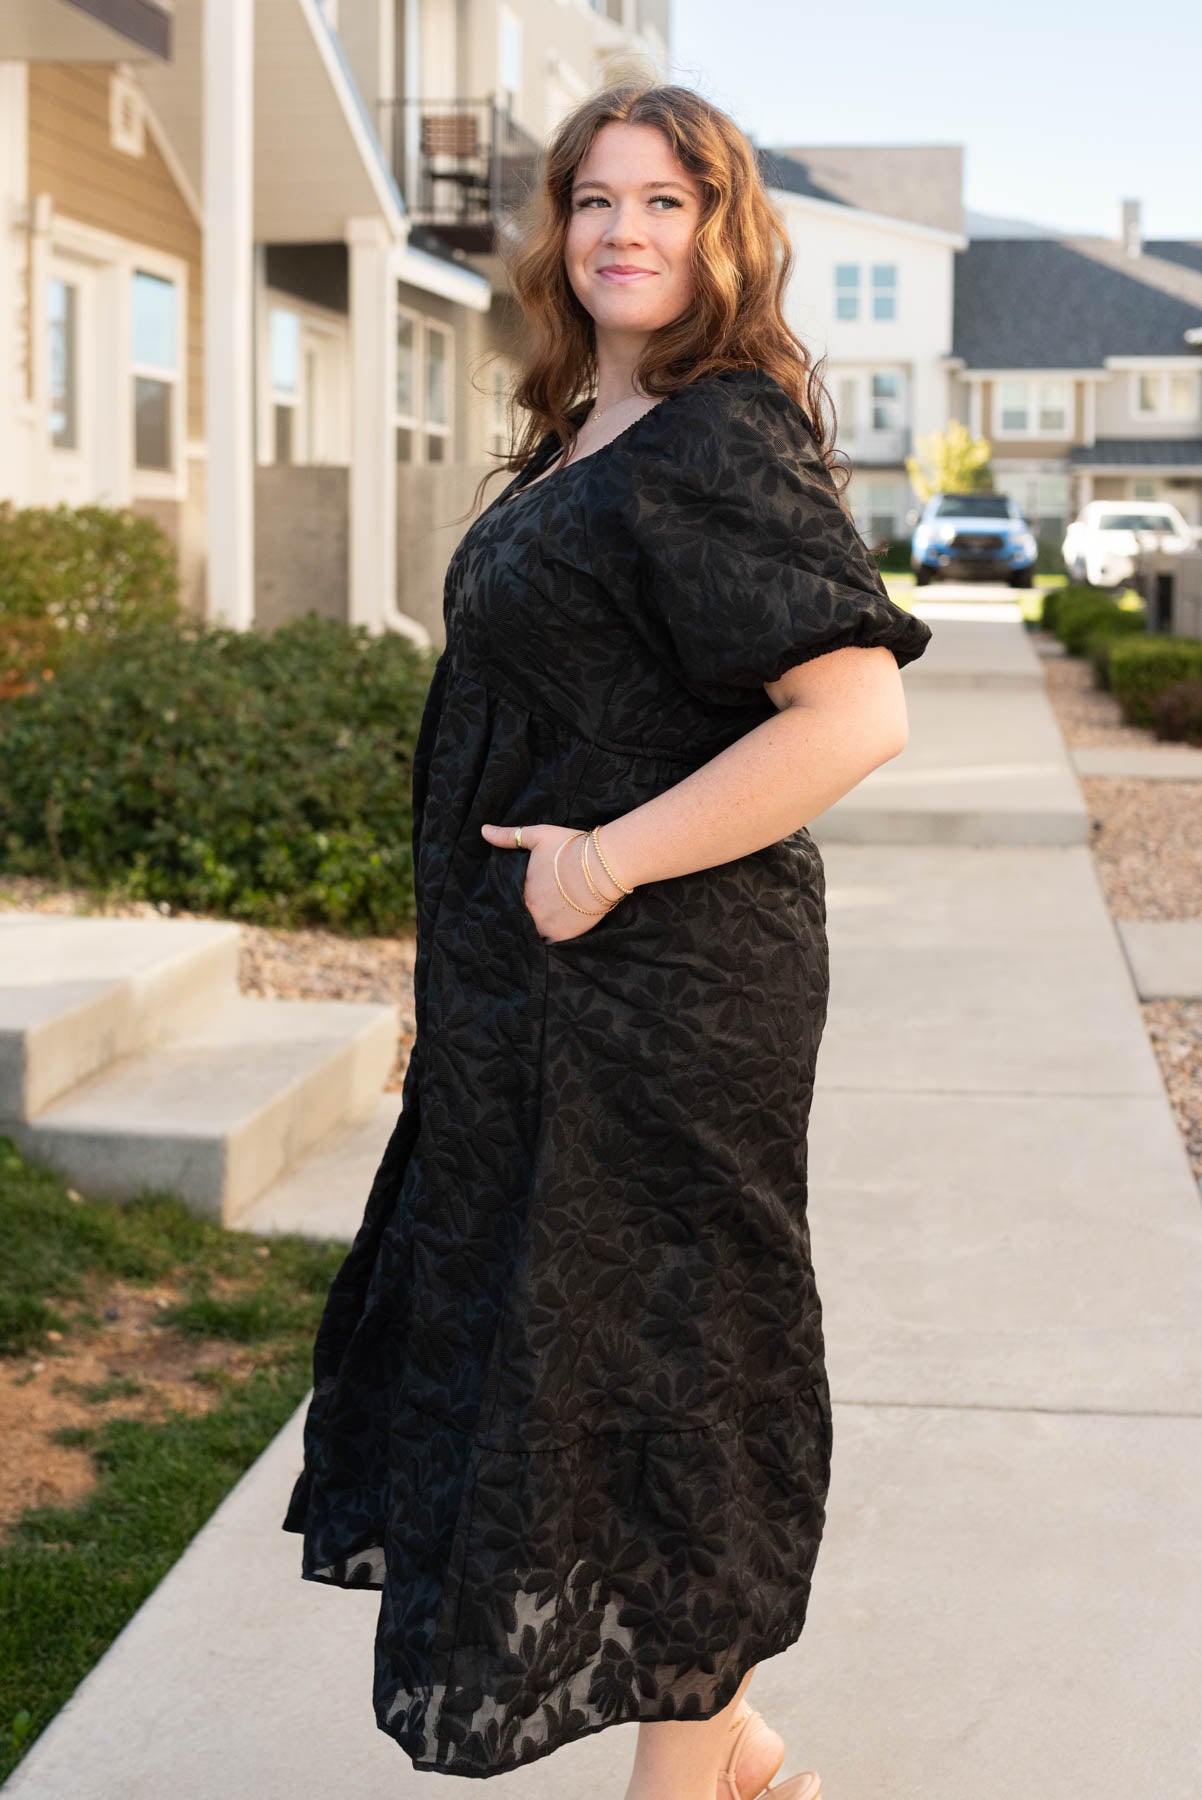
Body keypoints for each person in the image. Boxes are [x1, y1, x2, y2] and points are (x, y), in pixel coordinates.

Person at [282, 80, 932, 1800]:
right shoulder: (587, 426)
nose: (622, 230)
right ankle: (734, 1754)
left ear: (723, 231)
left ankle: (688, 1775)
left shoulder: (719, 430)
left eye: (665, 201)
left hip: (661, 995)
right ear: (556, 231)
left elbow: (852, 714)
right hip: (539, 1006)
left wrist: (607, 863)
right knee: (584, 1379)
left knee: (666, 1380)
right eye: (593, 199)